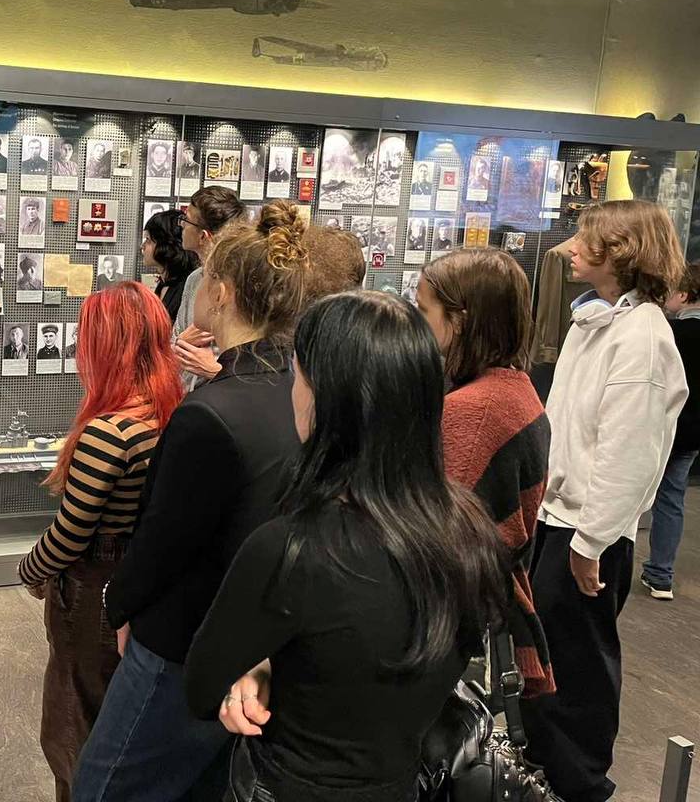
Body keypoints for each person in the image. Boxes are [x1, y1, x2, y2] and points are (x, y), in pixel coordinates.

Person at [183, 290, 508, 802]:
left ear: (324, 398)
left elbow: (202, 688)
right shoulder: (473, 533)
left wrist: (260, 667)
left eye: (297, 376)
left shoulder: (292, 550)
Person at [74, 202, 348, 802]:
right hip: (251, 635)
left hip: (180, 639)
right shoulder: (294, 389)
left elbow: (162, 542)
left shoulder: (209, 413)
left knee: (103, 787)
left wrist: (119, 604)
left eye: (205, 281)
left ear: (220, 293)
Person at [521, 200, 687, 802]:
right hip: (560, 519)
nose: (570, 247)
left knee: (578, 667)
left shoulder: (641, 337)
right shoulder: (598, 323)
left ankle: (578, 783)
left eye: (585, 238)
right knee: (551, 656)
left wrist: (591, 542)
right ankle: (546, 767)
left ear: (620, 250)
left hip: (586, 532)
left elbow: (628, 452)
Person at [18, 283, 183, 802]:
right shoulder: (169, 412)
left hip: (93, 586)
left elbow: (71, 533)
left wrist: (29, 570)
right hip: (141, 579)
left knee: (73, 718)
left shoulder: (108, 432)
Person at [418, 249, 556, 696]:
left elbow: (440, 538)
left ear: (460, 320)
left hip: (451, 620)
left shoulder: (473, 411)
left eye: (424, 311)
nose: (417, 323)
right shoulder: (513, 389)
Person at [642, 261, 700, 600]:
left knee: (633, 492)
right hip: (692, 434)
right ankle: (661, 574)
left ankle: (599, 562)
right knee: (672, 499)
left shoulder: (669, 334)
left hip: (659, 426)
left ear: (684, 294)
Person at [170, 186, 246, 390]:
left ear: (203, 236)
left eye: (186, 220)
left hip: (226, 397)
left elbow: (259, 366)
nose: (181, 226)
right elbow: (178, 337)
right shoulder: (194, 279)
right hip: (188, 395)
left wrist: (215, 371)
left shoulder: (244, 285)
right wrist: (179, 344)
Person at [141, 209, 198, 323]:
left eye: (148, 240)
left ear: (166, 245)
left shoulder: (188, 285)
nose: (142, 246)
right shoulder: (164, 283)